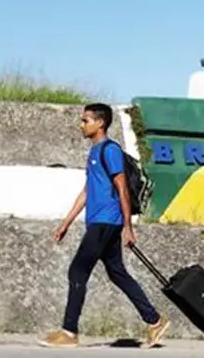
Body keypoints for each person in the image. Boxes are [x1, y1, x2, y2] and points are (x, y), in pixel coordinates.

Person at [38, 103, 169, 349]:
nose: (81, 124)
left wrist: (128, 227)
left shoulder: (110, 150)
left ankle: (69, 331)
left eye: (85, 120)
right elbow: (88, 190)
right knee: (117, 272)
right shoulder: (94, 152)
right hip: (99, 221)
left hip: (106, 221)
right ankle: (154, 321)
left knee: (77, 271)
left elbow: (122, 188)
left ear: (100, 123)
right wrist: (66, 222)